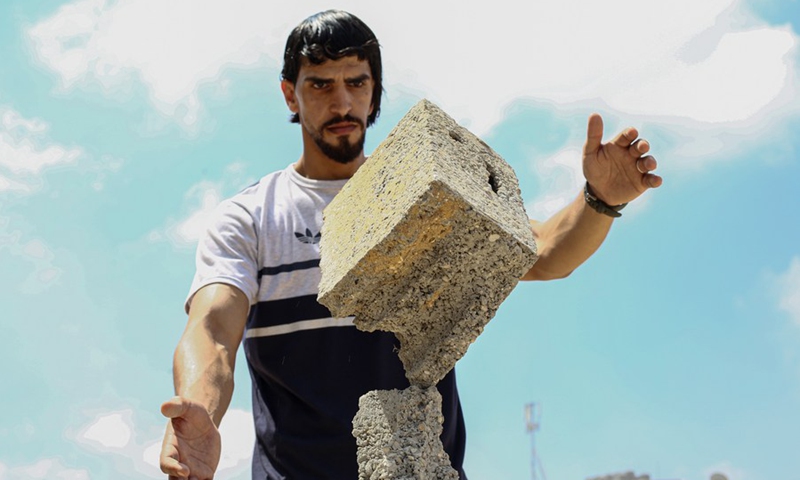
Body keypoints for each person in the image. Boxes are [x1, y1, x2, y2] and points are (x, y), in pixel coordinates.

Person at [158, 9, 662, 480]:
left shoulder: (424, 195)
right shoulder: (252, 218)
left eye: (357, 82)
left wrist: (599, 200)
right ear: (291, 94)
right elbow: (213, 330)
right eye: (321, 84)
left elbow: (546, 252)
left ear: (375, 92)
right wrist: (200, 407)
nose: (342, 103)